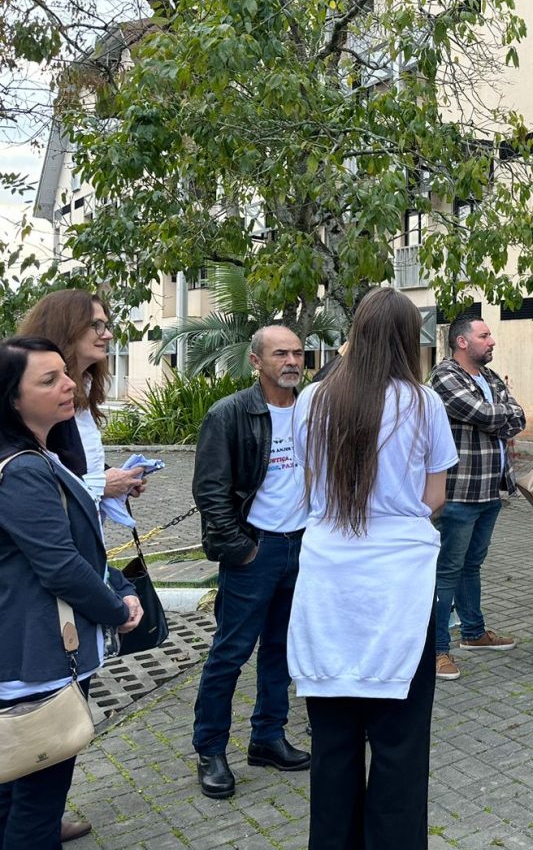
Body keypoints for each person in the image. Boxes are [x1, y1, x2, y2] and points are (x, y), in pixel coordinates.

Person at [287, 288, 458, 849]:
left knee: (332, 747)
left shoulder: (312, 398)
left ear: (355, 332)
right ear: (411, 340)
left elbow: (309, 485)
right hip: (400, 585)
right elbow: (434, 497)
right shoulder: (423, 402)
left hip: (327, 580)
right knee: (400, 750)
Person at [0, 337, 141, 849]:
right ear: (11, 398)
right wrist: (116, 608)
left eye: (66, 373)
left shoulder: (37, 454)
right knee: (35, 809)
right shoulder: (21, 470)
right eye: (49, 380)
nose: (69, 385)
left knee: (16, 794)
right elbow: (61, 565)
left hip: (24, 654)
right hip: (35, 661)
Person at [189, 325, 311, 799]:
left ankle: (268, 737)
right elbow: (211, 492)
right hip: (254, 550)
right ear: (256, 361)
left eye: (298, 353)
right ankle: (211, 749)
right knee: (230, 653)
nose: (292, 361)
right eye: (281, 353)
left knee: (281, 649)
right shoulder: (230, 414)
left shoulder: (310, 409)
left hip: (302, 546)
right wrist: (242, 549)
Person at [428, 316, 526, 680]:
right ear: (462, 342)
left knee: (472, 565)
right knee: (447, 571)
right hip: (459, 492)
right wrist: (501, 416)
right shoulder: (444, 375)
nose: (492, 341)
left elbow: (516, 415)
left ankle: (473, 632)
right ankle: (437, 649)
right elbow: (483, 413)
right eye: (484, 335)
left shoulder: (490, 378)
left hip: (490, 490)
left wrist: (501, 415)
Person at [20, 290, 146, 510]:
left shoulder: (85, 387)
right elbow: (27, 486)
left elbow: (75, 466)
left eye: (106, 326)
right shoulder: (37, 402)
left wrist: (114, 478)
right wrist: (102, 485)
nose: (107, 335)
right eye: (96, 325)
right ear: (65, 327)